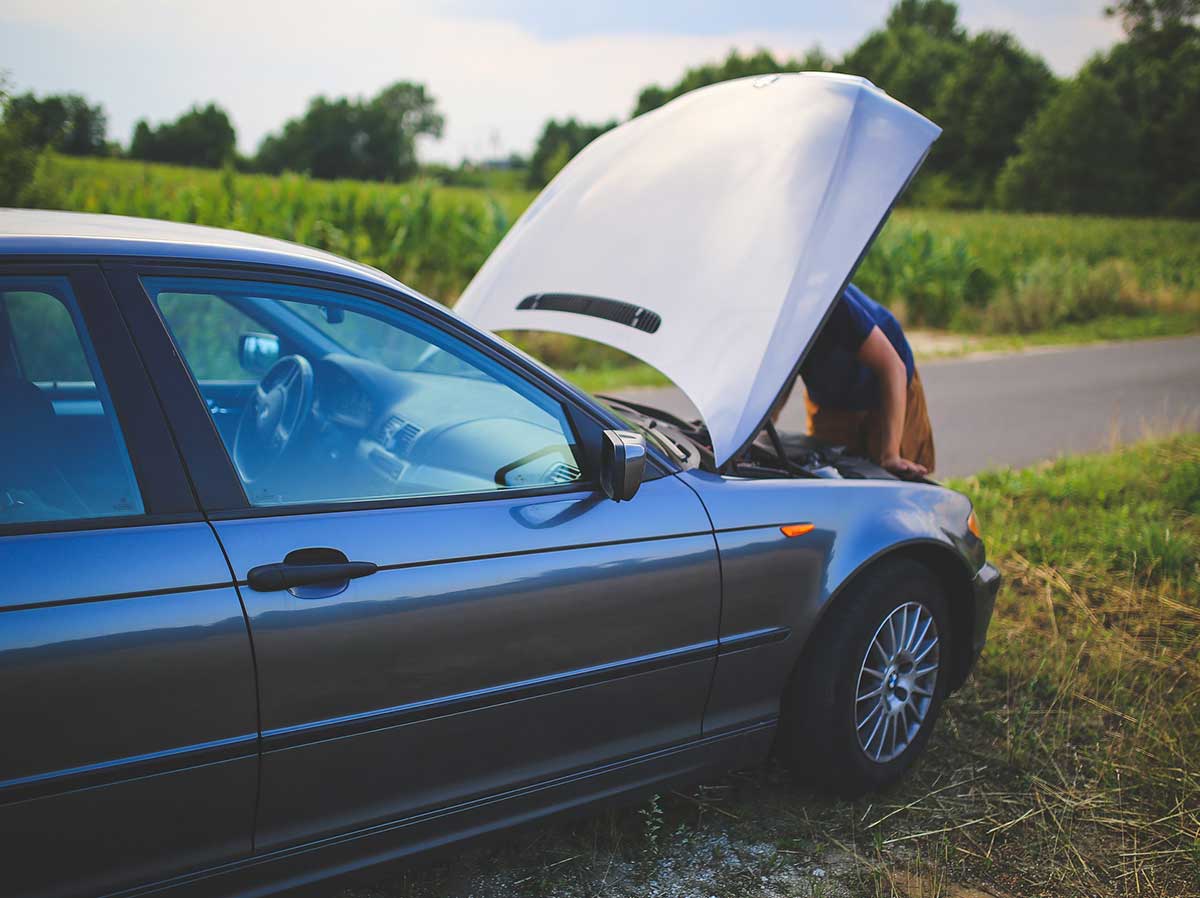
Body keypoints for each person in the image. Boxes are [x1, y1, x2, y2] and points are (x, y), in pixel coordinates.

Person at [777, 283, 935, 478]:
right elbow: (780, 376)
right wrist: (761, 429)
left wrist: (891, 454)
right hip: (830, 398)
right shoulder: (768, 318)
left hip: (888, 387)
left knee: (893, 477)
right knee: (828, 475)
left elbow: (893, 368)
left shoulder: (828, 300)